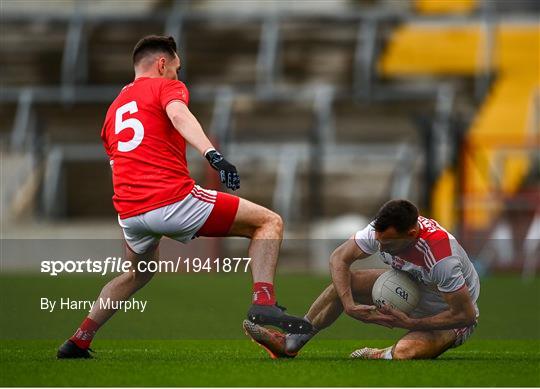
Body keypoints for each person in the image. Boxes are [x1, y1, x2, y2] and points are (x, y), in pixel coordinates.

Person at [57, 35, 311, 359]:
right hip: (172, 200)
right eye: (176, 68)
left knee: (137, 274)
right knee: (268, 223)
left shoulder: (114, 110)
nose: (178, 75)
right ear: (162, 64)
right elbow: (179, 116)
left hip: (131, 213)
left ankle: (78, 341)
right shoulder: (166, 87)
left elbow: (117, 162)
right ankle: (264, 304)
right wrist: (213, 155)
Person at [243, 199, 480, 360]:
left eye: (387, 244)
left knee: (406, 353)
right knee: (345, 283)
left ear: (411, 234)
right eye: (378, 240)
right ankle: (291, 343)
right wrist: (349, 304)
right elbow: (339, 259)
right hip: (412, 289)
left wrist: (408, 323)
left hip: (450, 314)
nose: (379, 245)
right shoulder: (380, 231)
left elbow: (465, 314)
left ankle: (381, 353)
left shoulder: (441, 259)